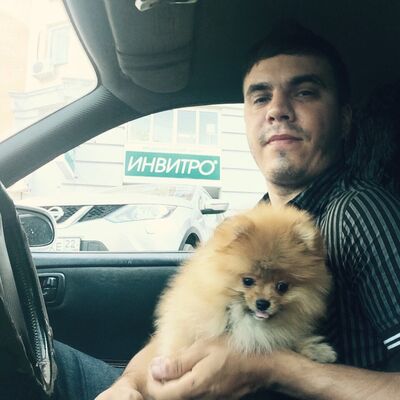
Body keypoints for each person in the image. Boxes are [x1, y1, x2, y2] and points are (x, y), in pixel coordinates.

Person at [57, 23, 400, 400]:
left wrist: (273, 367)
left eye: (304, 92)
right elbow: (180, 322)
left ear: (344, 119)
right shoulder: (259, 219)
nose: (278, 110)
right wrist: (129, 384)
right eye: (261, 97)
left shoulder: (360, 214)